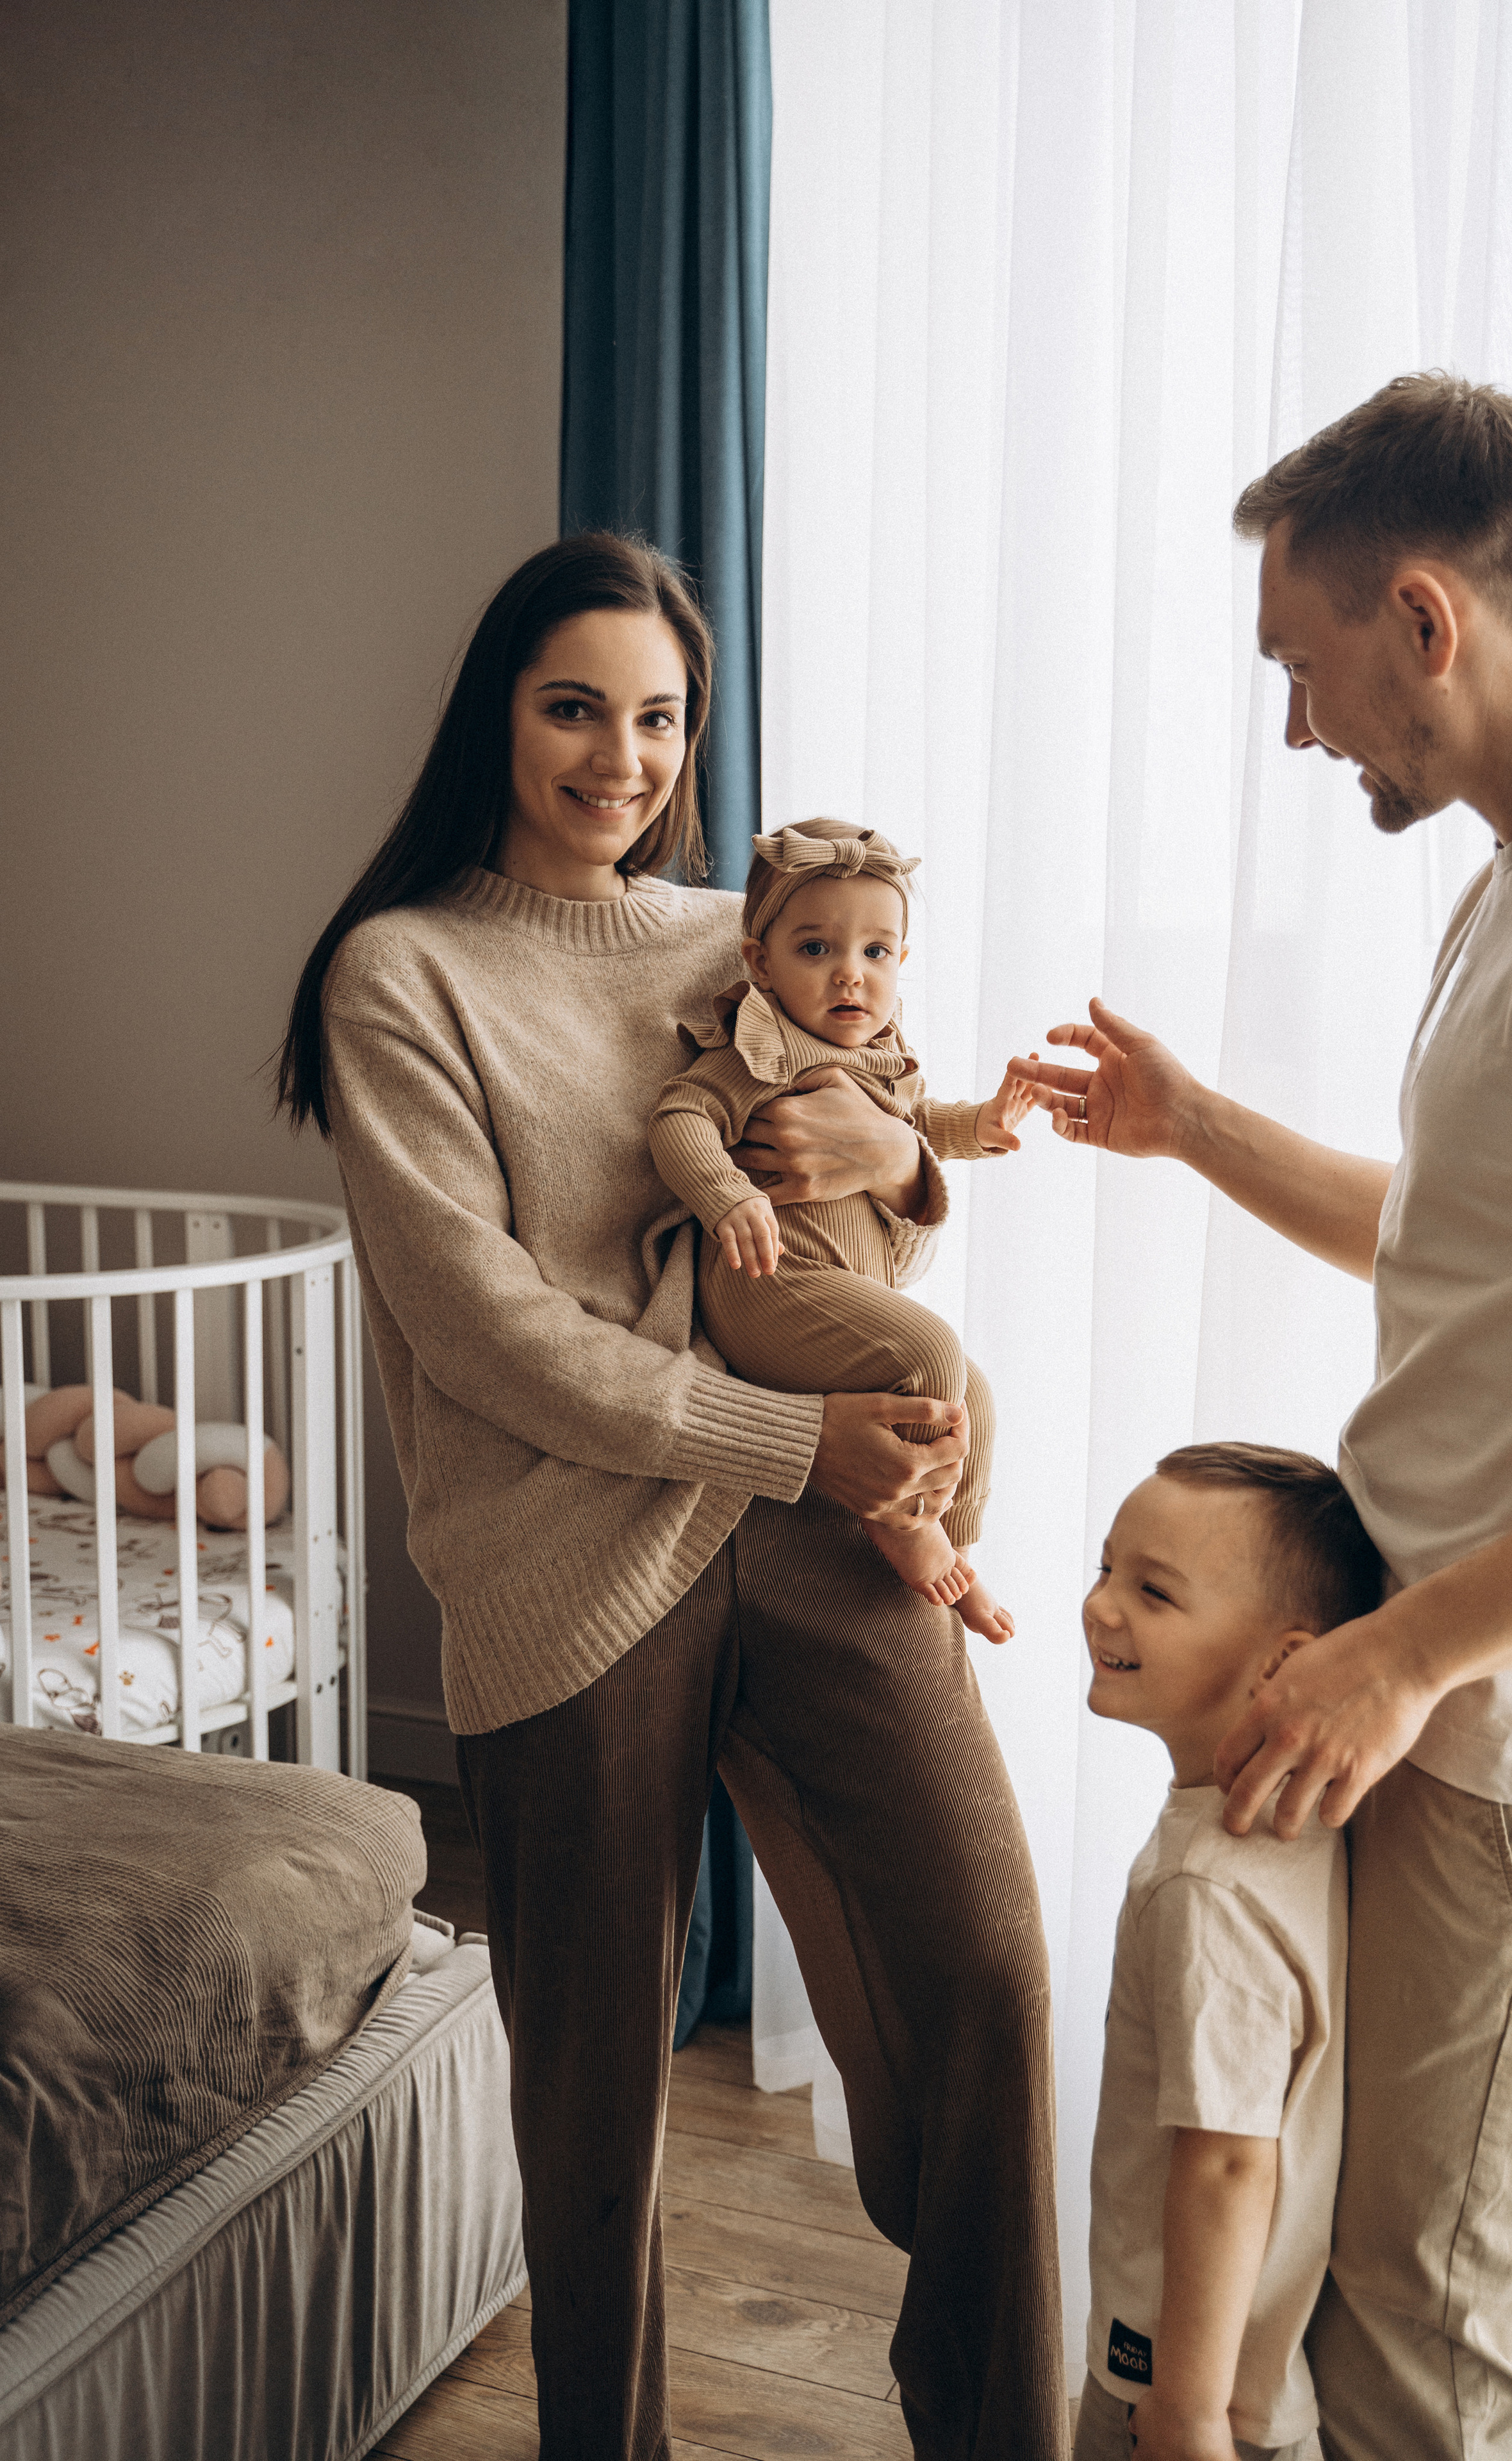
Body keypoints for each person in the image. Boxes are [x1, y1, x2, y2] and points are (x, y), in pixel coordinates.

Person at [275, 533, 1066, 2458]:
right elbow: (481, 1331)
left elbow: (855, 1223)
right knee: (599, 2098)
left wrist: (913, 1152)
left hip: (813, 1529)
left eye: (658, 717)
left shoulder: (756, 930)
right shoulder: (404, 973)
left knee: (986, 1970)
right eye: (574, 708)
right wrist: (788, 1442)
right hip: (568, 1558)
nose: (619, 757)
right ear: (499, 718)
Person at [1015, 373, 1512, 2461]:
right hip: (1473, 1713)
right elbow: (1466, 1242)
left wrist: (1403, 1656)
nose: (1304, 728)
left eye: (1309, 667)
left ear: (1429, 620)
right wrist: (1192, 1129)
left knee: (1418, 2371)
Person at [648, 815, 1031, 1645]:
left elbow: (922, 1123)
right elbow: (680, 1118)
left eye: (876, 953)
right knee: (929, 1354)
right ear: (760, 962)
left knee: (975, 1395)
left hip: (842, 1292)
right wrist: (725, 1196)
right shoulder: (756, 1052)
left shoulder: (884, 1055)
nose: (850, 977)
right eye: (817, 950)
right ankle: (904, 1525)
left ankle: (957, 1545)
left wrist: (986, 1125)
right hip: (768, 1287)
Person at [1074, 1443, 1379, 2461]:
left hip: (1175, 2397)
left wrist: (1184, 2410)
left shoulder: (1208, 1888)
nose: (1103, 1606)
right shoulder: (1307, 1829)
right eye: (1107, 1566)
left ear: (1281, 1665)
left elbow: (1226, 2165)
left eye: (1153, 1592)